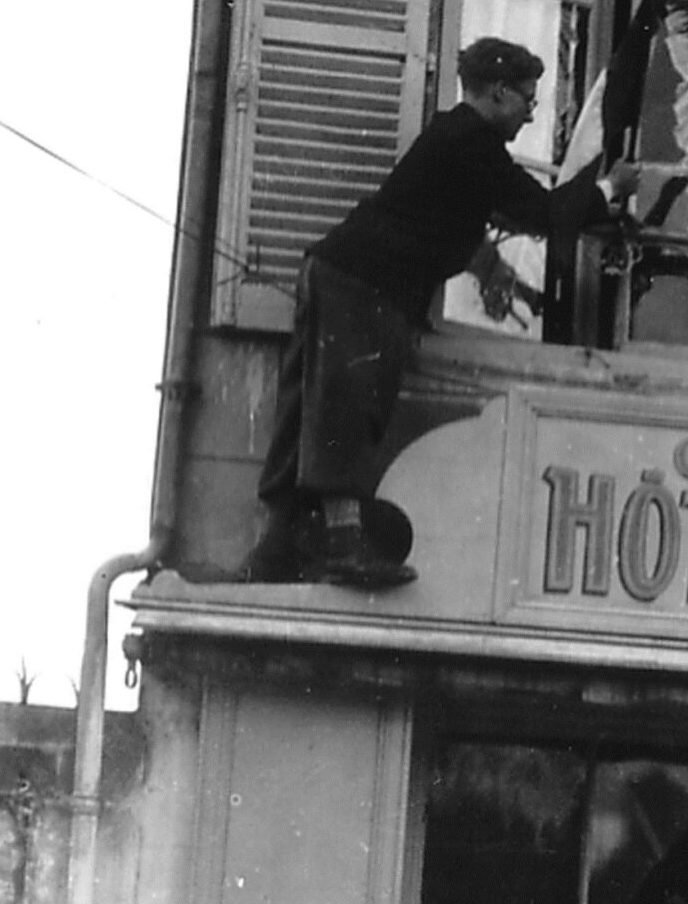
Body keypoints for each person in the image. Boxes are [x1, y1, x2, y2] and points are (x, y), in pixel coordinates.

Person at [245, 36, 632, 588]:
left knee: (306, 410)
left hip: (337, 270)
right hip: (363, 285)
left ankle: (273, 554)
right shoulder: (473, 141)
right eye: (529, 99)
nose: (530, 114)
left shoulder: (454, 137)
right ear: (498, 93)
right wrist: (609, 186)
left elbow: (465, 222)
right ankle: (343, 546)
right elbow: (542, 213)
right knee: (349, 406)